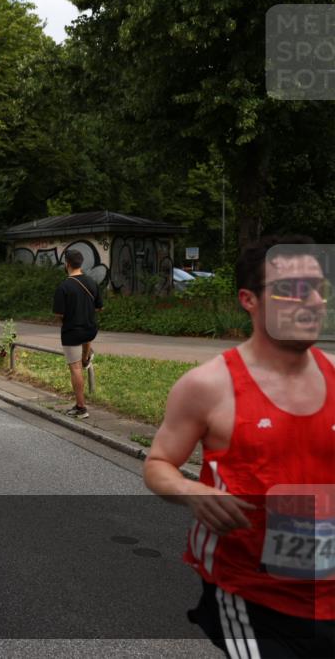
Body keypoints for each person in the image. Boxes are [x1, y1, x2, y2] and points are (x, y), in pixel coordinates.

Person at [144, 236, 333, 658]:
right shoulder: (207, 386)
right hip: (252, 596)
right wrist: (193, 491)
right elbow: (158, 463)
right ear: (249, 300)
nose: (314, 301)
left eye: (320, 288)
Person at [52, 249, 102, 419]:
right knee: (86, 341)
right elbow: (98, 307)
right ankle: (86, 356)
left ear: (66, 264)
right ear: (81, 263)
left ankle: (81, 407)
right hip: (90, 329)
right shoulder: (92, 282)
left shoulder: (64, 286)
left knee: (75, 369)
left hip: (72, 332)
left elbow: (59, 314)